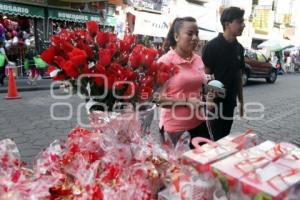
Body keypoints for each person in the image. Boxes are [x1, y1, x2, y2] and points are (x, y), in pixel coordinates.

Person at [156, 17, 211, 147]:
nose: (195, 38)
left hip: (199, 123)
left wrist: (208, 91)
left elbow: (198, 87)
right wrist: (186, 102)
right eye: (190, 33)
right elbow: (158, 99)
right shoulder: (165, 62)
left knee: (204, 163)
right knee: (178, 167)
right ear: (176, 36)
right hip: (175, 130)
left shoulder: (198, 59)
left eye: (197, 33)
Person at [202, 7, 245, 141]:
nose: (243, 25)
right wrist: (208, 101)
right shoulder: (212, 46)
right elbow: (205, 76)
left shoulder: (239, 48)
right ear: (227, 24)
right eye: (239, 22)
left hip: (229, 103)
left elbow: (238, 76)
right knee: (212, 140)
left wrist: (241, 101)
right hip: (213, 104)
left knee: (225, 138)